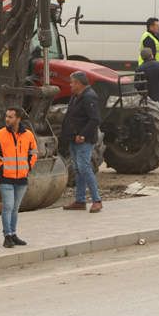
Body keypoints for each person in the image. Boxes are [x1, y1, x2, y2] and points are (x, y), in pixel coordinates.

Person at [0, 108, 37, 248]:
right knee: (8, 206)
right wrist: (0, 166)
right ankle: (7, 235)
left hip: (22, 178)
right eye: (6, 116)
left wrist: (29, 166)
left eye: (10, 117)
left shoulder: (28, 135)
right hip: (6, 178)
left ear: (18, 118)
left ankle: (13, 234)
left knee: (15, 208)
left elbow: (34, 152)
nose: (7, 119)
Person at [62, 72, 103, 213]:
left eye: (72, 82)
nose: (70, 85)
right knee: (78, 169)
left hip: (83, 140)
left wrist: (83, 135)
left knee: (84, 168)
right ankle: (80, 200)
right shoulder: (75, 96)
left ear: (79, 83)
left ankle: (97, 200)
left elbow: (95, 119)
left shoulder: (89, 97)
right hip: (73, 138)